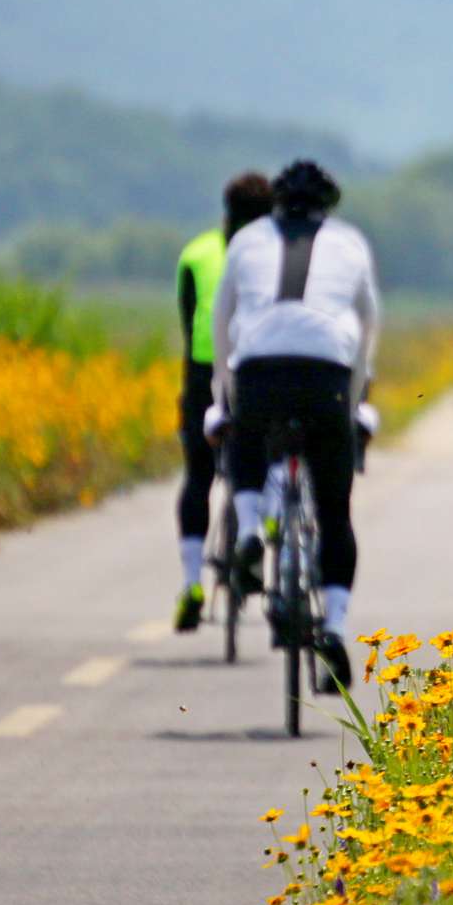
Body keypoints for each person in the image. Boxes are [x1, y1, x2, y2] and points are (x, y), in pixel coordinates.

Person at [207, 159, 379, 691]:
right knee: (334, 510)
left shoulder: (248, 239)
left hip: (258, 364)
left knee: (246, 442)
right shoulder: (350, 243)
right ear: (329, 206)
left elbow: (222, 321)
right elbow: (368, 327)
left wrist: (223, 392)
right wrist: (354, 401)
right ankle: (333, 627)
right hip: (327, 369)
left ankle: (253, 531)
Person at [173, 172, 273, 632]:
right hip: (259, 367)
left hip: (203, 369)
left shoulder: (196, 252)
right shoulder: (274, 251)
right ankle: (265, 531)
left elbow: (188, 317)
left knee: (198, 474)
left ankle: (193, 583)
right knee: (266, 462)